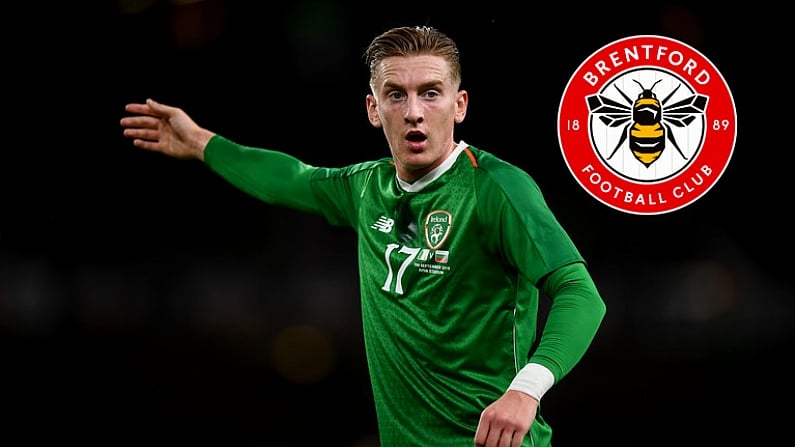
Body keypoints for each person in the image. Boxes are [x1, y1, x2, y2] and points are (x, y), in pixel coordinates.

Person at [120, 25, 606, 447]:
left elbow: (581, 295)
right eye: (397, 95)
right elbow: (289, 178)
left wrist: (526, 389)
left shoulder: (496, 188)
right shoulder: (366, 187)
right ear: (374, 110)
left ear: (460, 105)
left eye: (431, 93)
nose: (414, 111)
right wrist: (203, 142)